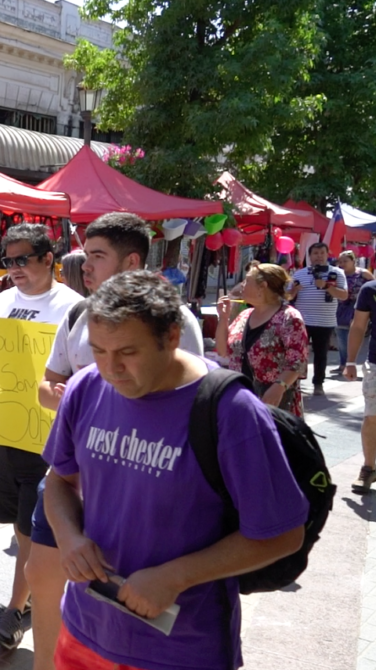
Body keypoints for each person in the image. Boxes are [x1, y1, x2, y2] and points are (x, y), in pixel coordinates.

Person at [44, 270, 306, 670]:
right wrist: (69, 537)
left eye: (128, 352)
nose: (111, 369)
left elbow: (283, 534)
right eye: (98, 351)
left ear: (170, 337)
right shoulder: (85, 388)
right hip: (84, 629)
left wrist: (175, 577)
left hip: (181, 649)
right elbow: (60, 481)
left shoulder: (231, 411)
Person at [27, 212, 204, 670]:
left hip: (135, 488)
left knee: (126, 608)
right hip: (69, 476)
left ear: (131, 262)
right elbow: (47, 385)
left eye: (98, 255)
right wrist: (65, 397)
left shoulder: (175, 322)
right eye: (85, 255)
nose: (85, 265)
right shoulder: (77, 315)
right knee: (42, 578)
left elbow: (183, 405)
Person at [0, 223, 83, 650]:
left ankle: (16, 609)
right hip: (2, 430)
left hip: (47, 437)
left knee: (31, 522)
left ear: (48, 259)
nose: (15, 268)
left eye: (23, 259)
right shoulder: (1, 302)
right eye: (9, 260)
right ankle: (28, 595)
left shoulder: (73, 307)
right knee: (16, 521)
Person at [216, 262, 309, 416]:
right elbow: (222, 351)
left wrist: (279, 387)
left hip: (273, 400)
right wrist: (223, 318)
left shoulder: (288, 317)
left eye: (247, 281)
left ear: (262, 286)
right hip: (241, 396)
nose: (242, 285)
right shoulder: (244, 315)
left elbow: (297, 361)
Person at [289, 242, 348, 395]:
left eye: (322, 253)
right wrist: (294, 290)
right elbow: (288, 296)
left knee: (321, 354)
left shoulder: (337, 273)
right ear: (309, 256)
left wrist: (327, 286)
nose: (319, 256)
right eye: (315, 253)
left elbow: (343, 295)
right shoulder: (299, 274)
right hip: (302, 321)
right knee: (298, 354)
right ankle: (295, 382)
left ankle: (318, 383)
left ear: (327, 255)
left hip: (325, 321)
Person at [344, 276, 376, 493]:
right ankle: (368, 468)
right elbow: (358, 326)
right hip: (375, 363)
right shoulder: (370, 289)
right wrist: (350, 361)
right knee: (372, 417)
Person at [335, 250, 373, 375]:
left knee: (354, 332)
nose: (342, 264)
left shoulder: (363, 274)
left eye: (345, 261)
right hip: (340, 307)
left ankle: (351, 362)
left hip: (359, 308)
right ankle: (343, 363)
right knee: (341, 336)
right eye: (340, 261)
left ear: (353, 261)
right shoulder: (337, 274)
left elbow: (373, 288)